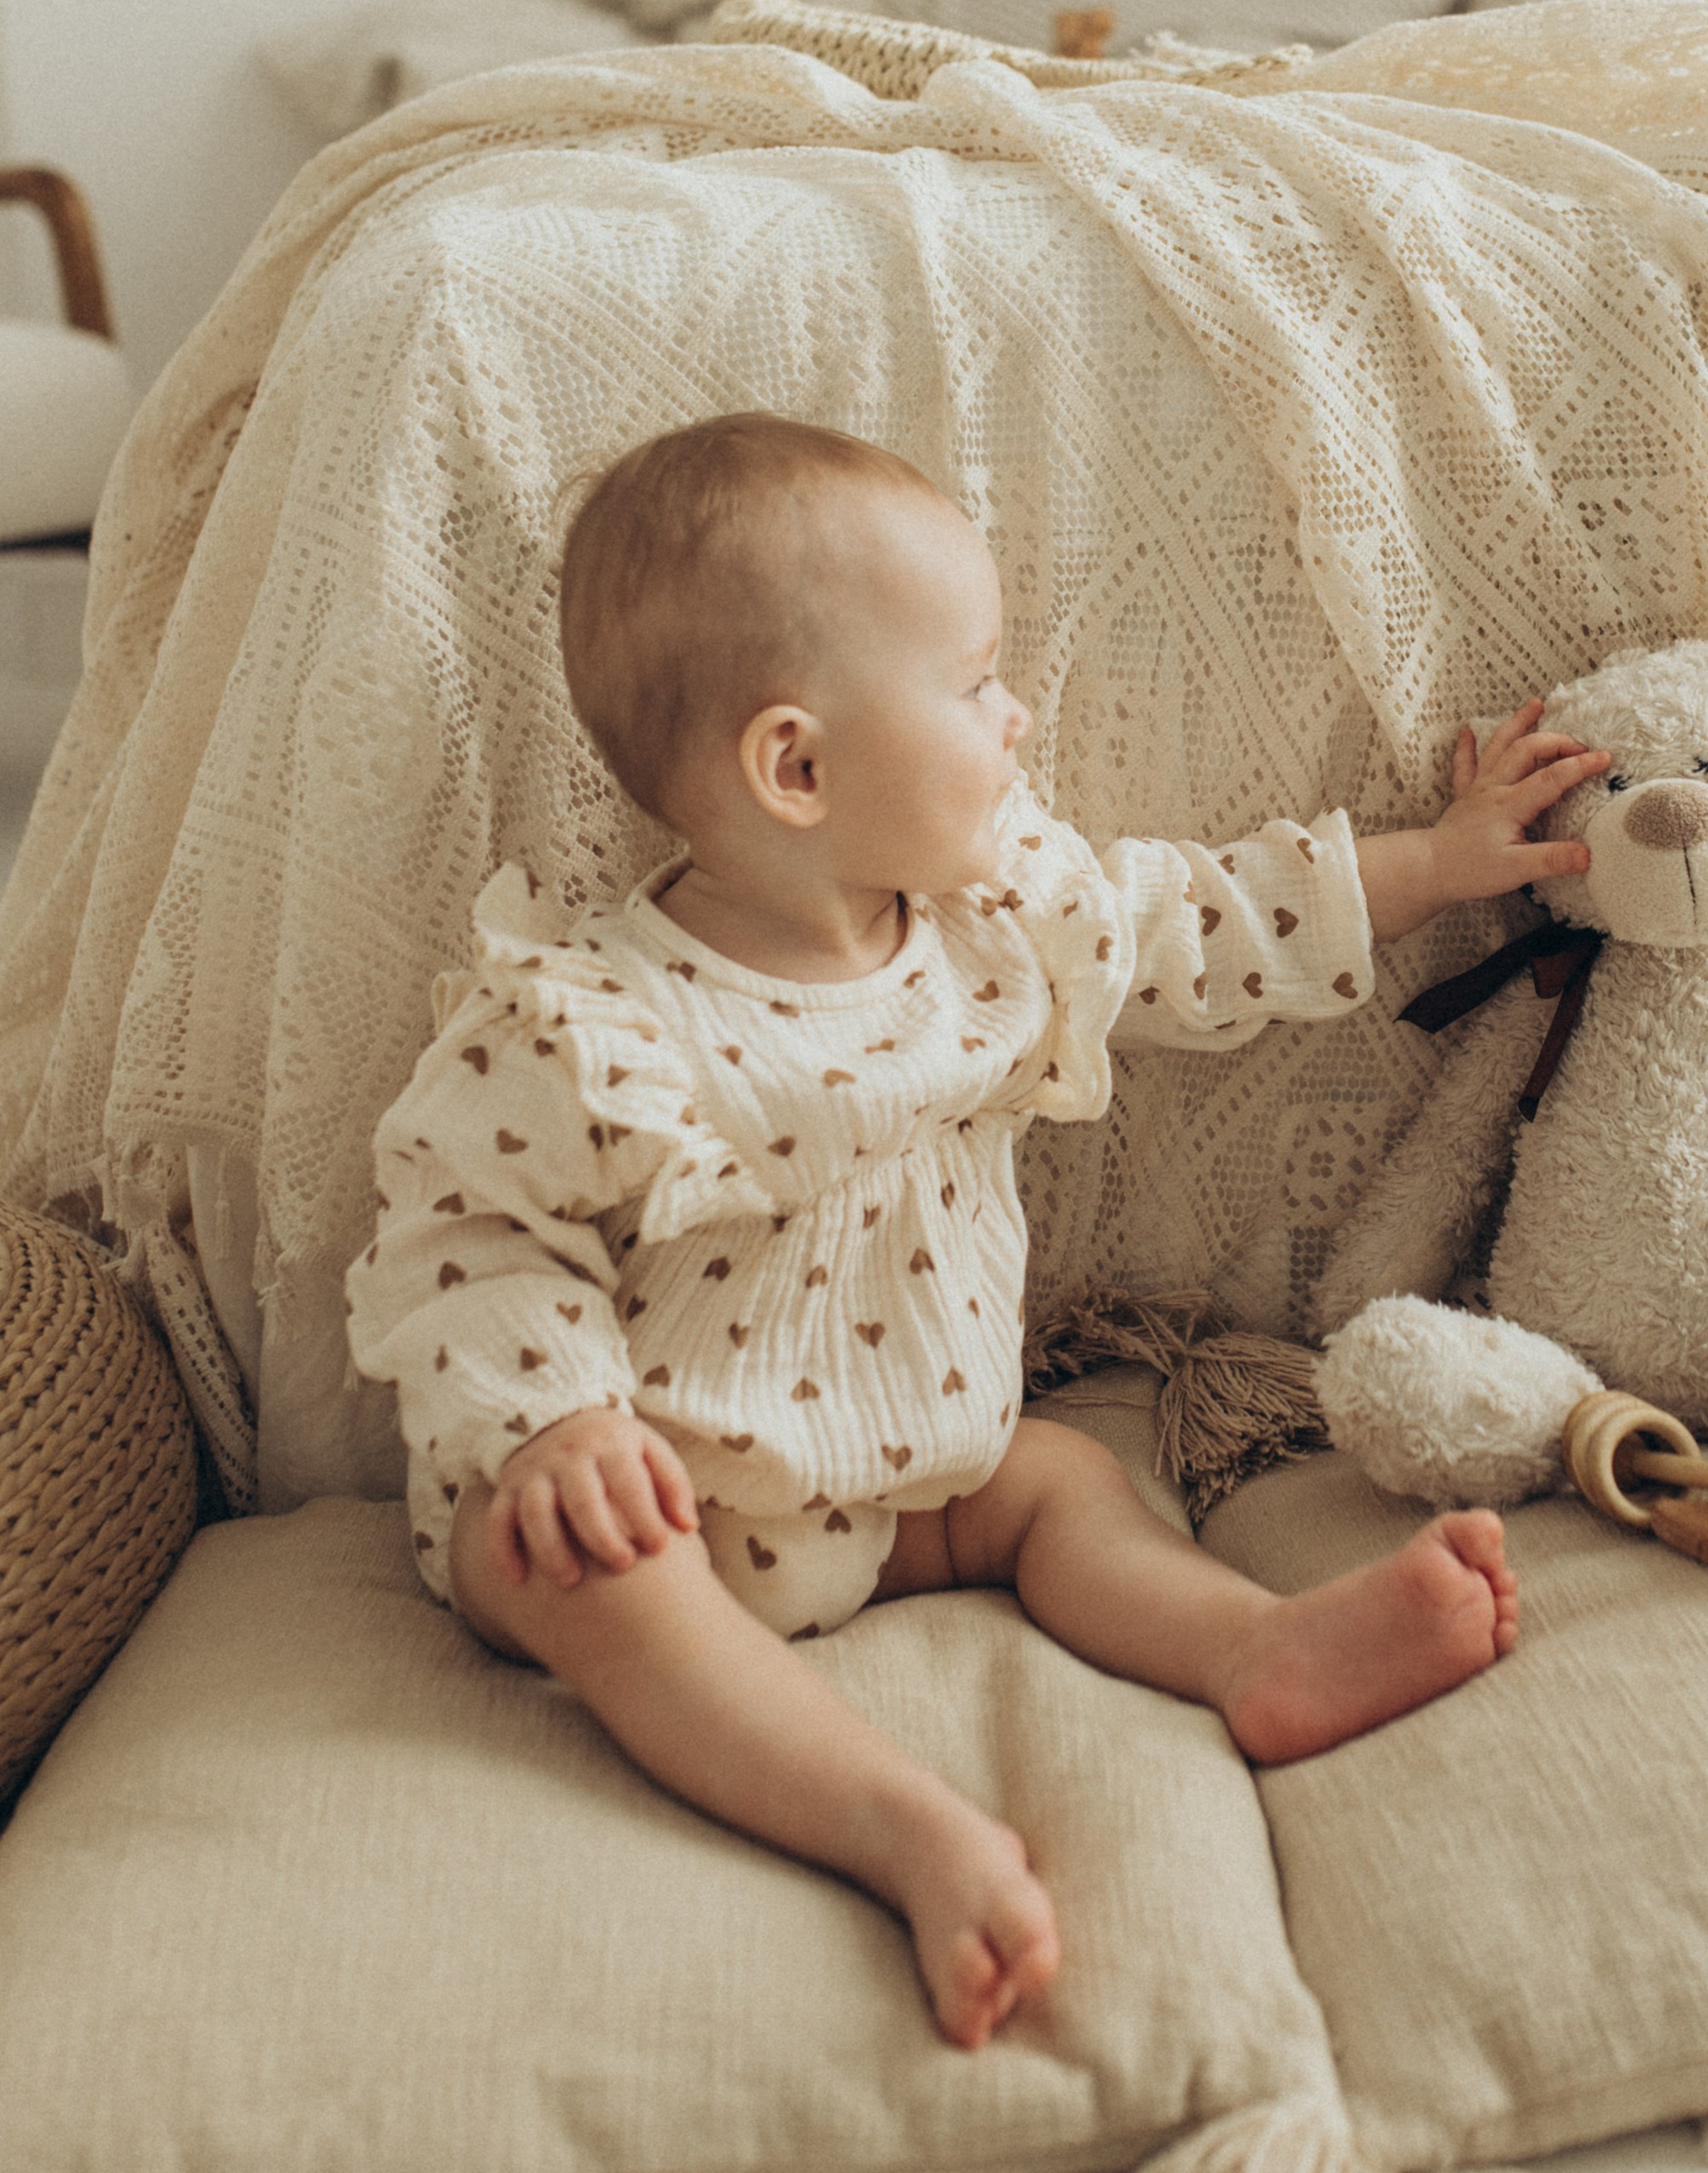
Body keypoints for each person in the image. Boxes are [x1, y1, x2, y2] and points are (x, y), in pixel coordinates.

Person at [347, 416, 1607, 2048]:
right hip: (639, 1489)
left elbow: (1192, 922)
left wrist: (1433, 864)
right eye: (974, 683)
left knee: (1058, 1487)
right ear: (794, 767)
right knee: (616, 1591)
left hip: (897, 1481)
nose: (1019, 717)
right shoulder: (594, 1020)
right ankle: (901, 1829)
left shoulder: (996, 922)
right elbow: (462, 1233)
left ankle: (1259, 1654)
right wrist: (558, 1424)